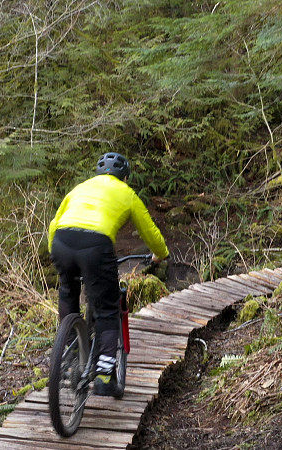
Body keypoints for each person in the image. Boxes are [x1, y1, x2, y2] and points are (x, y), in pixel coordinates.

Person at [48, 152, 169, 397]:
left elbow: (54, 223)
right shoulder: (126, 192)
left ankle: (71, 350)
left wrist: (57, 253)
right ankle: (104, 375)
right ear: (124, 177)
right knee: (107, 309)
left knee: (68, 291)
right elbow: (149, 231)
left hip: (61, 241)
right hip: (95, 246)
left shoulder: (80, 188)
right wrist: (160, 253)